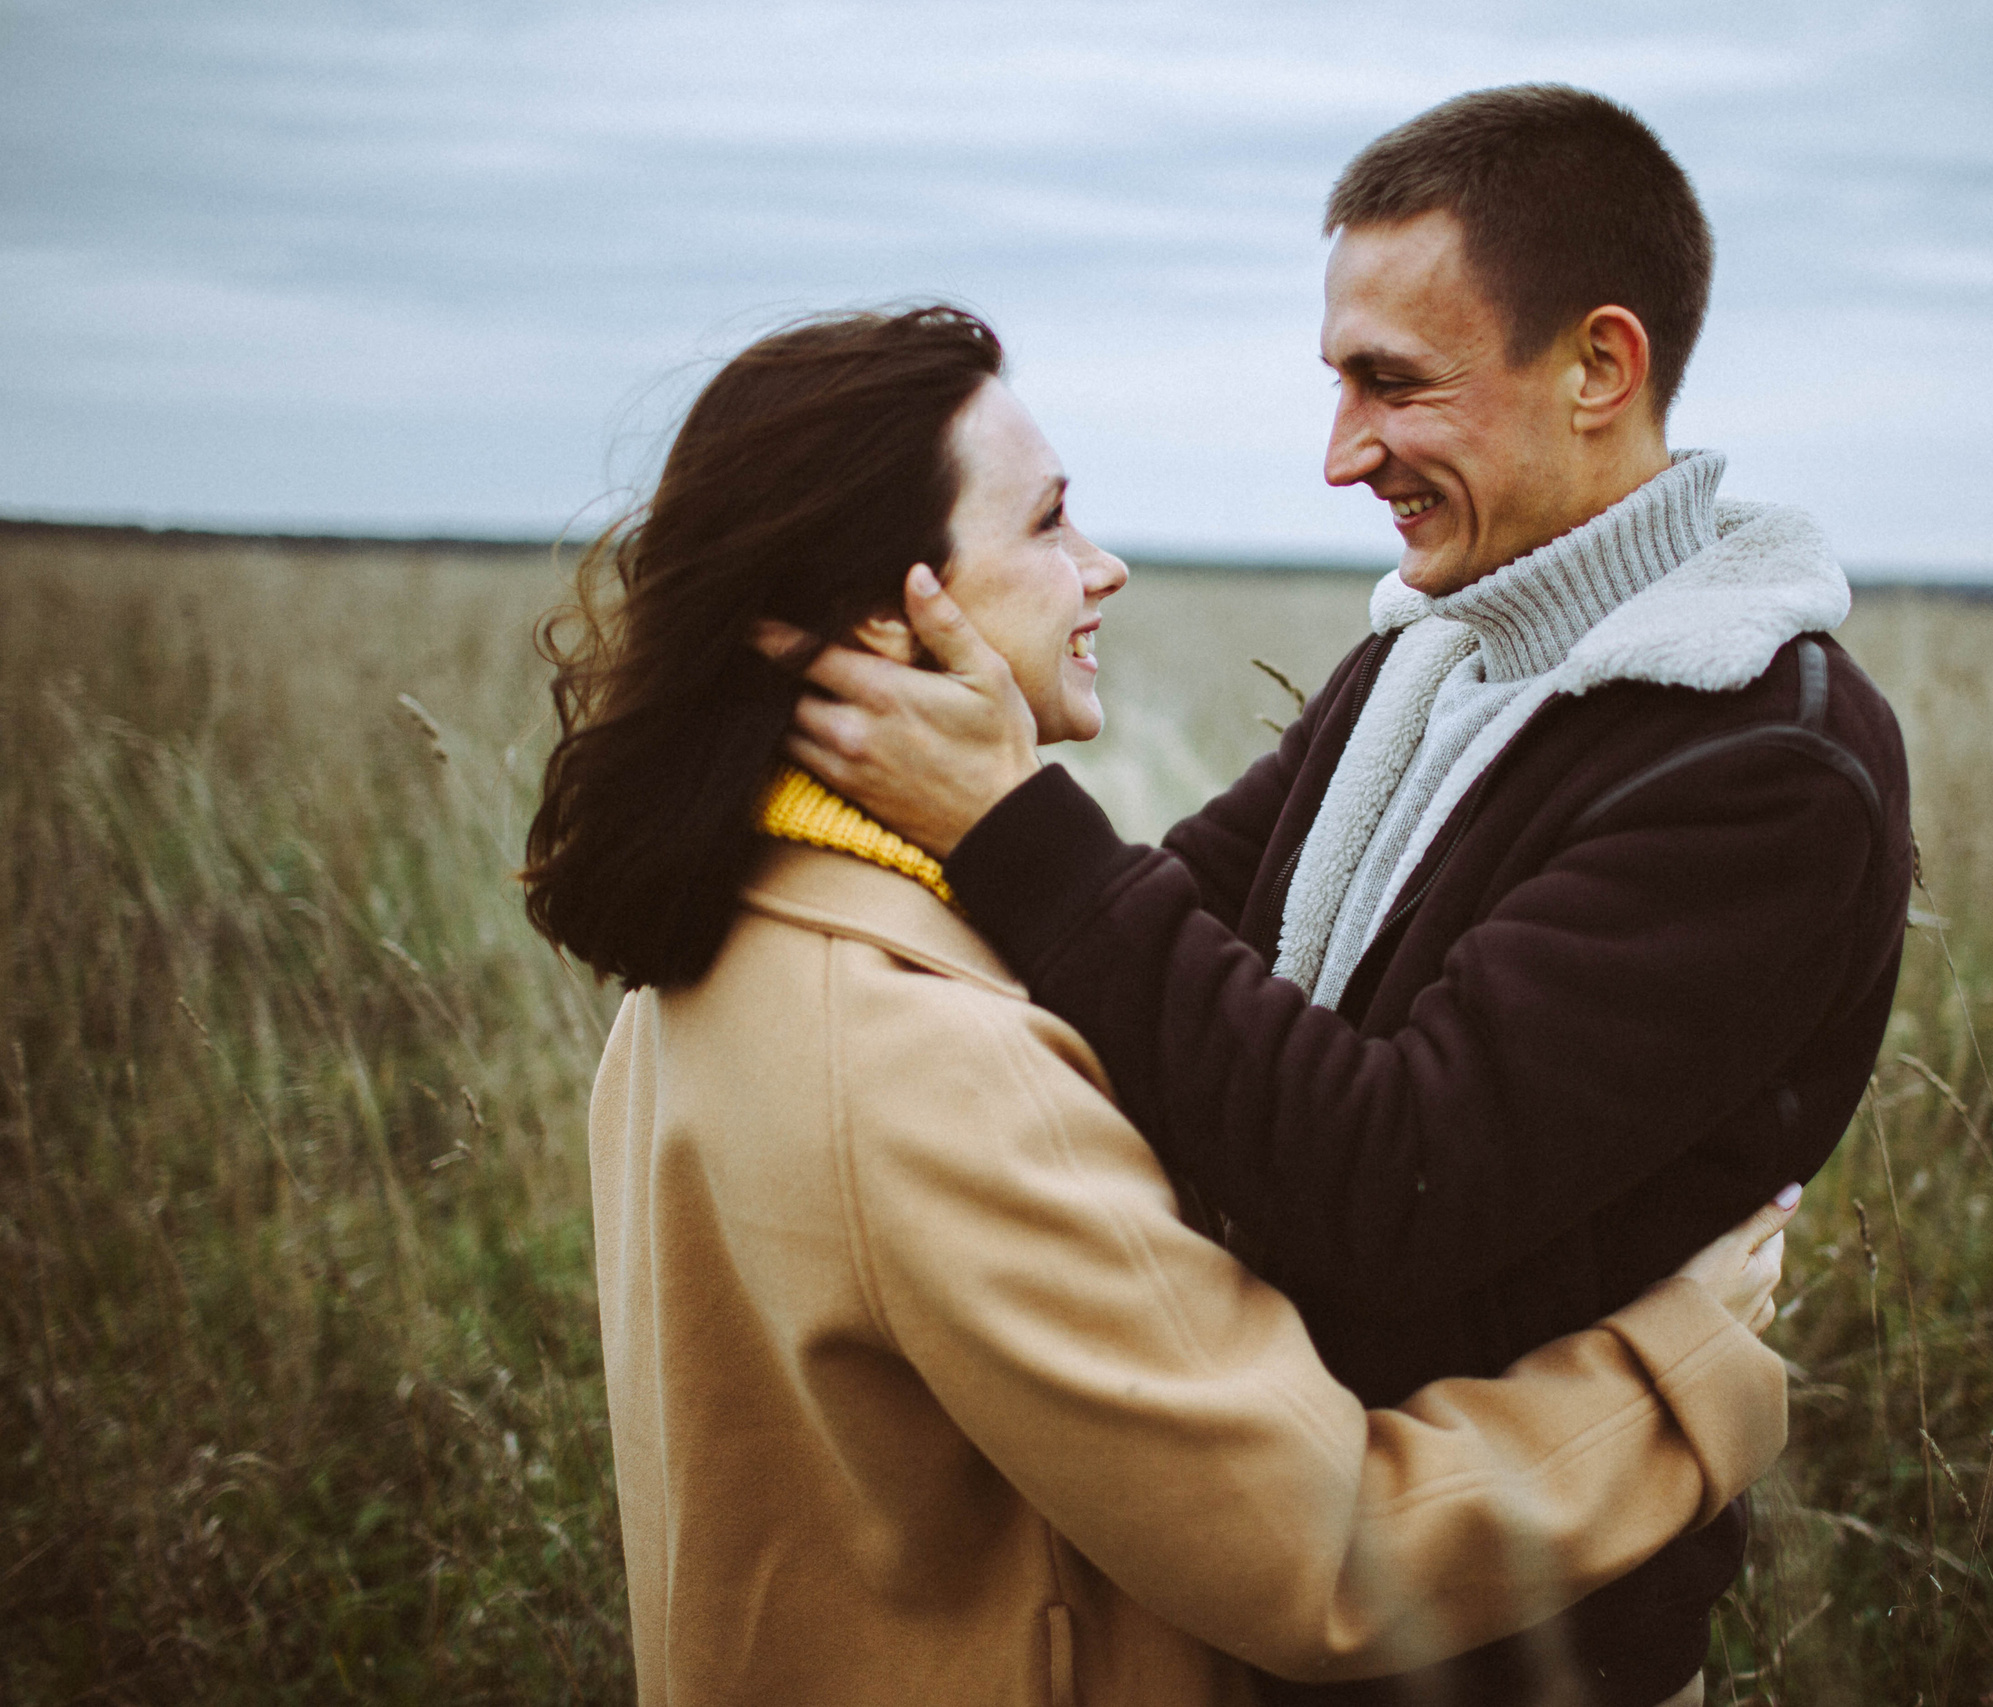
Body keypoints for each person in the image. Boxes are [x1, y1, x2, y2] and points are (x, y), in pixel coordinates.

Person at [763, 87, 1914, 1707]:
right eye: (1338, 382)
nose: (1342, 454)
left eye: (1395, 384)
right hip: (1276, 1572)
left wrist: (1011, 821)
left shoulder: (1766, 767)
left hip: (1527, 1650)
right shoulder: (1434, 653)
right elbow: (1176, 936)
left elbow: (1391, 1187)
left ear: (1600, 368)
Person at [522, 305, 1801, 1706]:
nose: (1103, 565)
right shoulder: (926, 1057)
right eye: (1048, 523)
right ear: (882, 615)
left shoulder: (718, 944)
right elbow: (1327, 1554)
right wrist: (1681, 1364)